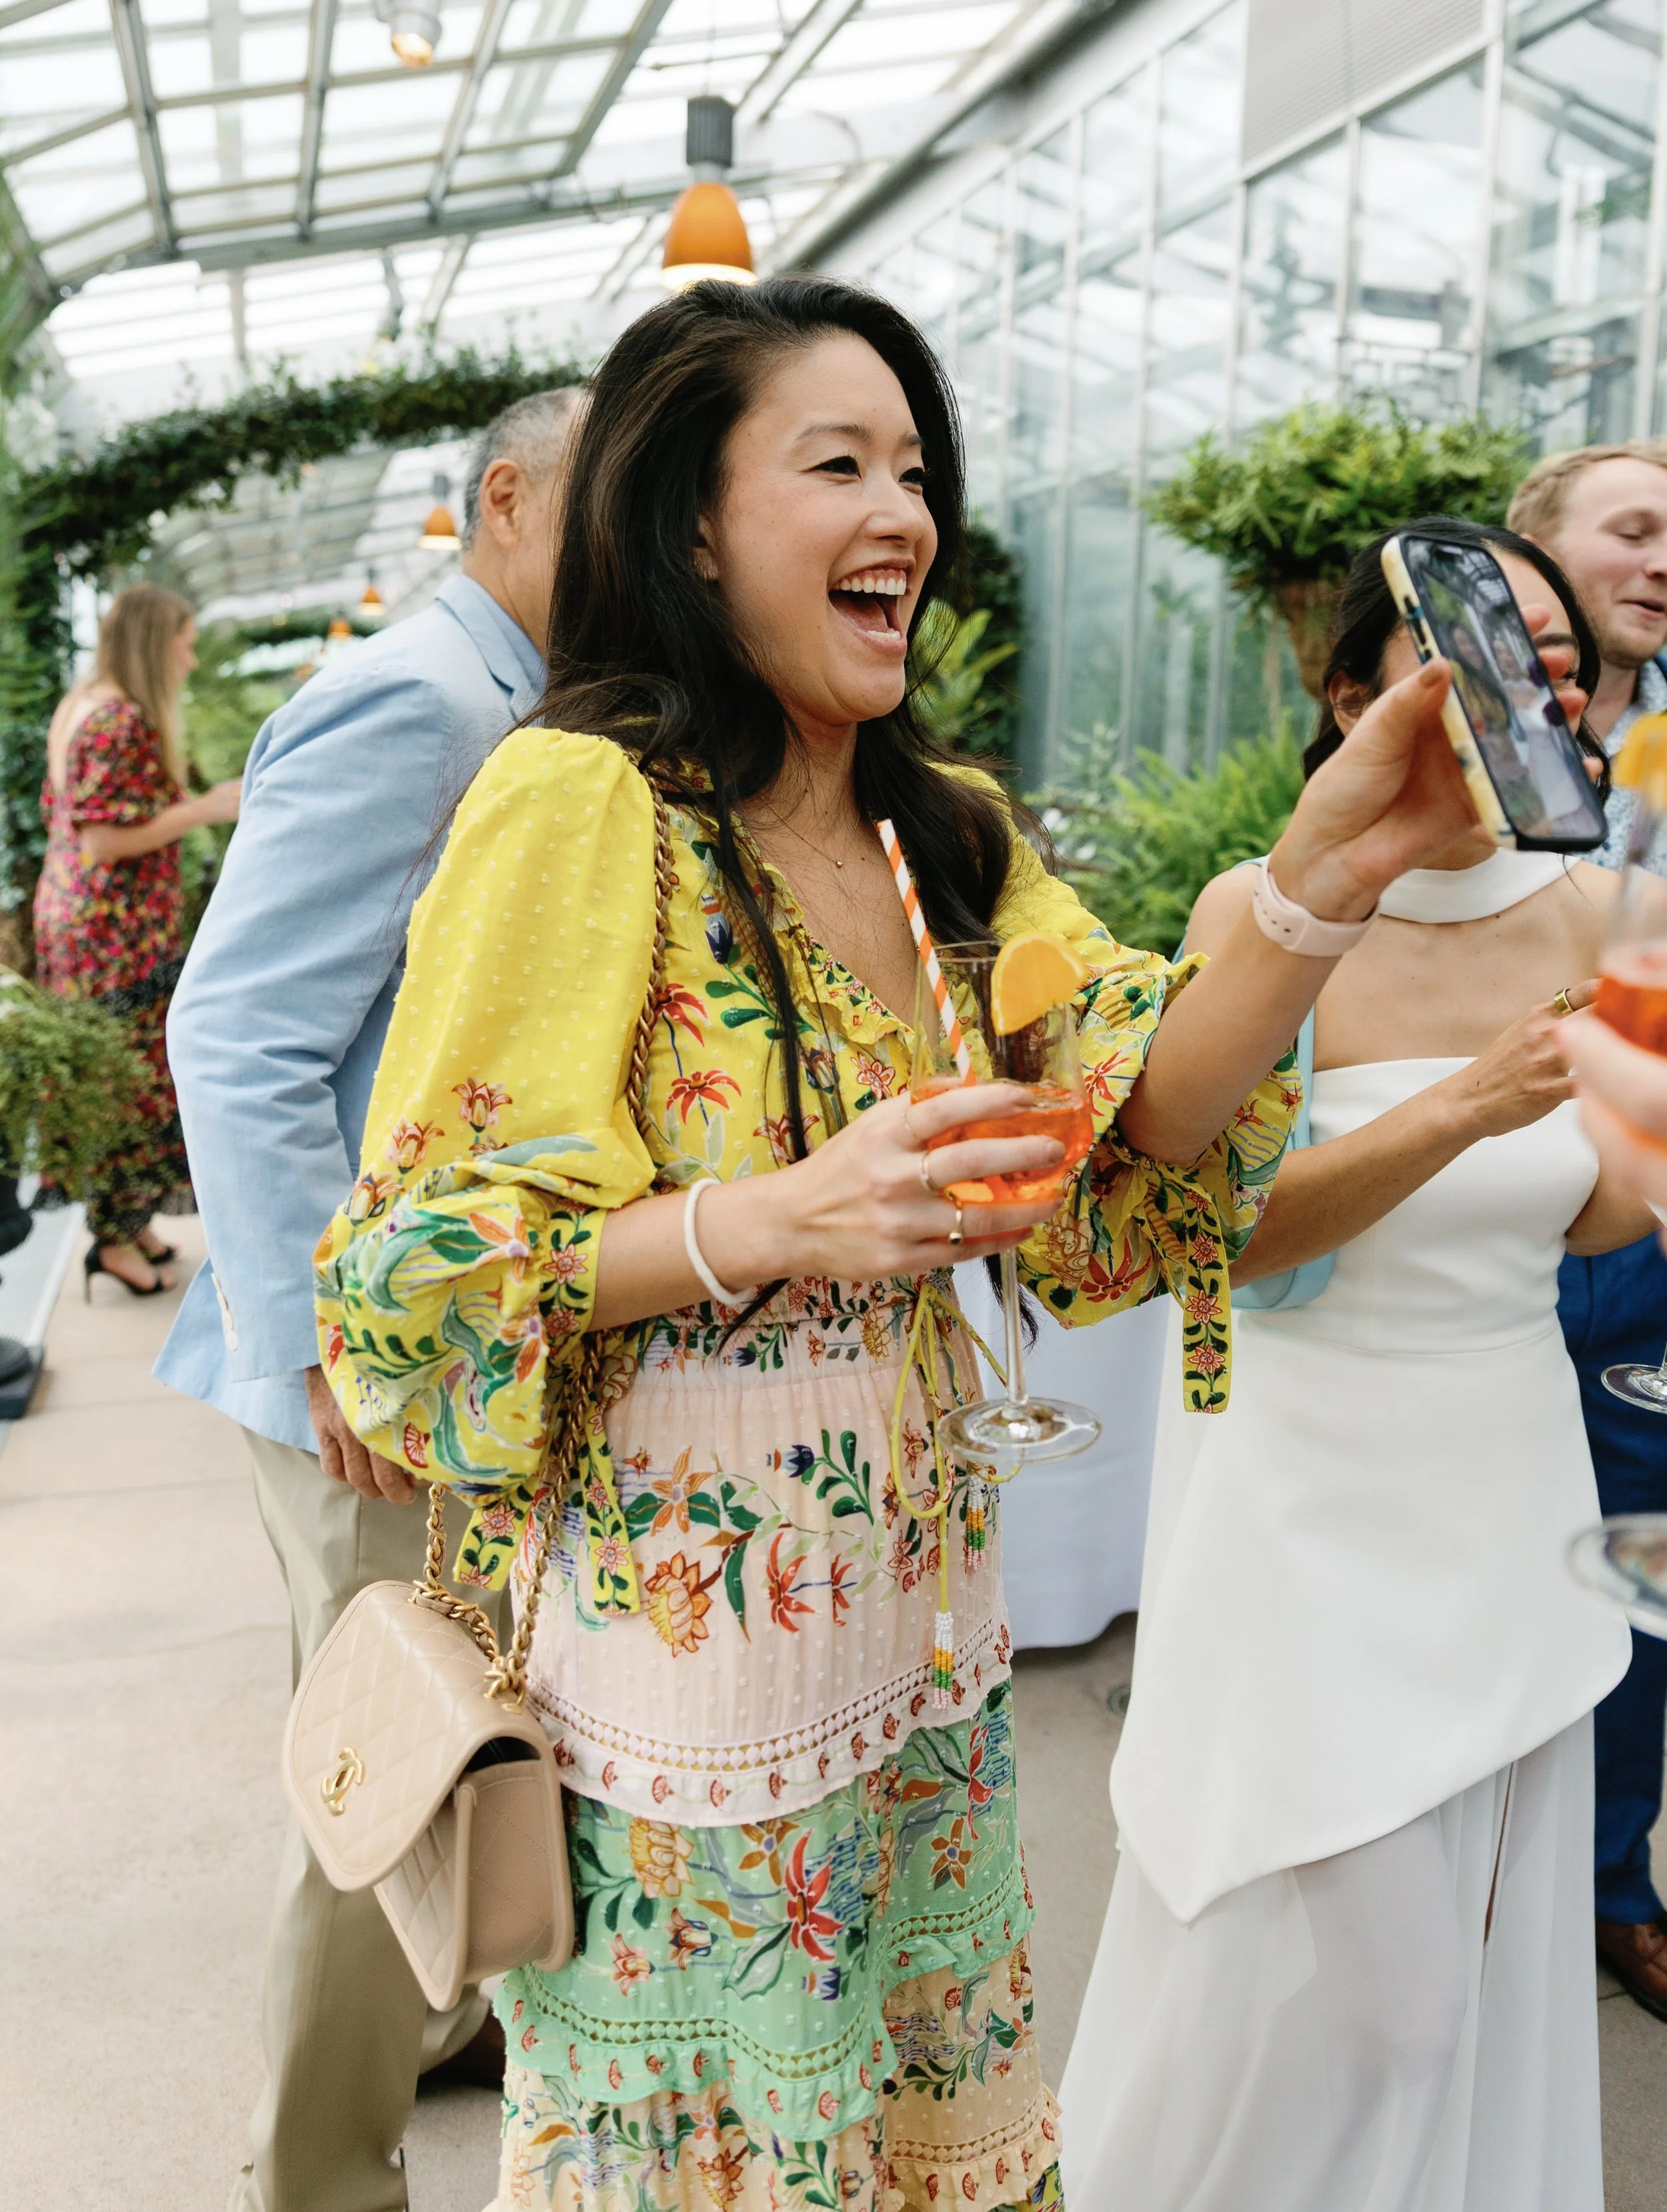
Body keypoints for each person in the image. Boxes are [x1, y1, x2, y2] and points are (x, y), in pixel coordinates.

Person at [313, 278, 1502, 2212]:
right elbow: (414, 1267)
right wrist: (758, 1219)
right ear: (691, 525)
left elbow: (1141, 1121)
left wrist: (1321, 880)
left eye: (918, 468)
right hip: (684, 1704)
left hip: (923, 1660)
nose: (906, 514)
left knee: (917, 2154)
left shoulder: (930, 831)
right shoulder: (588, 799)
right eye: (839, 463)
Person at [1059, 518, 1650, 2212]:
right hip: (1306, 1504)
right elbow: (1218, 1237)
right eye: (1475, 649)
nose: (1533, 684)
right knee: (1388, 2008)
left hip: (1507, 1483)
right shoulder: (1267, 915)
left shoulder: (1609, 904)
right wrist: (1473, 1098)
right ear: (1352, 692)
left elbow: (1585, 1219)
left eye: (1554, 657)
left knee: (1469, 1977)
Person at [155, 385, 585, 2212]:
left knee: (446, 1713)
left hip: (446, 1347)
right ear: (503, 501)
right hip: (372, 1369)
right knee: (386, 1755)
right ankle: (322, 2174)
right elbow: (235, 1030)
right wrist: (337, 1340)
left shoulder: (513, 695)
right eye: (615, 497)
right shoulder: (418, 693)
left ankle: (436, 2027)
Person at [1510, 440, 1667, 2023]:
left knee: (1634, 1546)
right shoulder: (1474, 731)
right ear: (1539, 547)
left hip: (1649, 1190)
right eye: (1634, 528)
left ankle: (1614, 1888)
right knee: (1490, 1528)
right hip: (1491, 1179)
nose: (1664, 555)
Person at [31, 584, 241, 1294]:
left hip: (82, 919)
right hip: (111, 928)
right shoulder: (120, 718)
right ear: (156, 640)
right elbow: (101, 838)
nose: (189, 655)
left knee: (123, 1074)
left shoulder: (83, 702)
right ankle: (113, 1238)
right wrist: (205, 809)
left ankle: (127, 1225)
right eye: (183, 640)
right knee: (132, 1079)